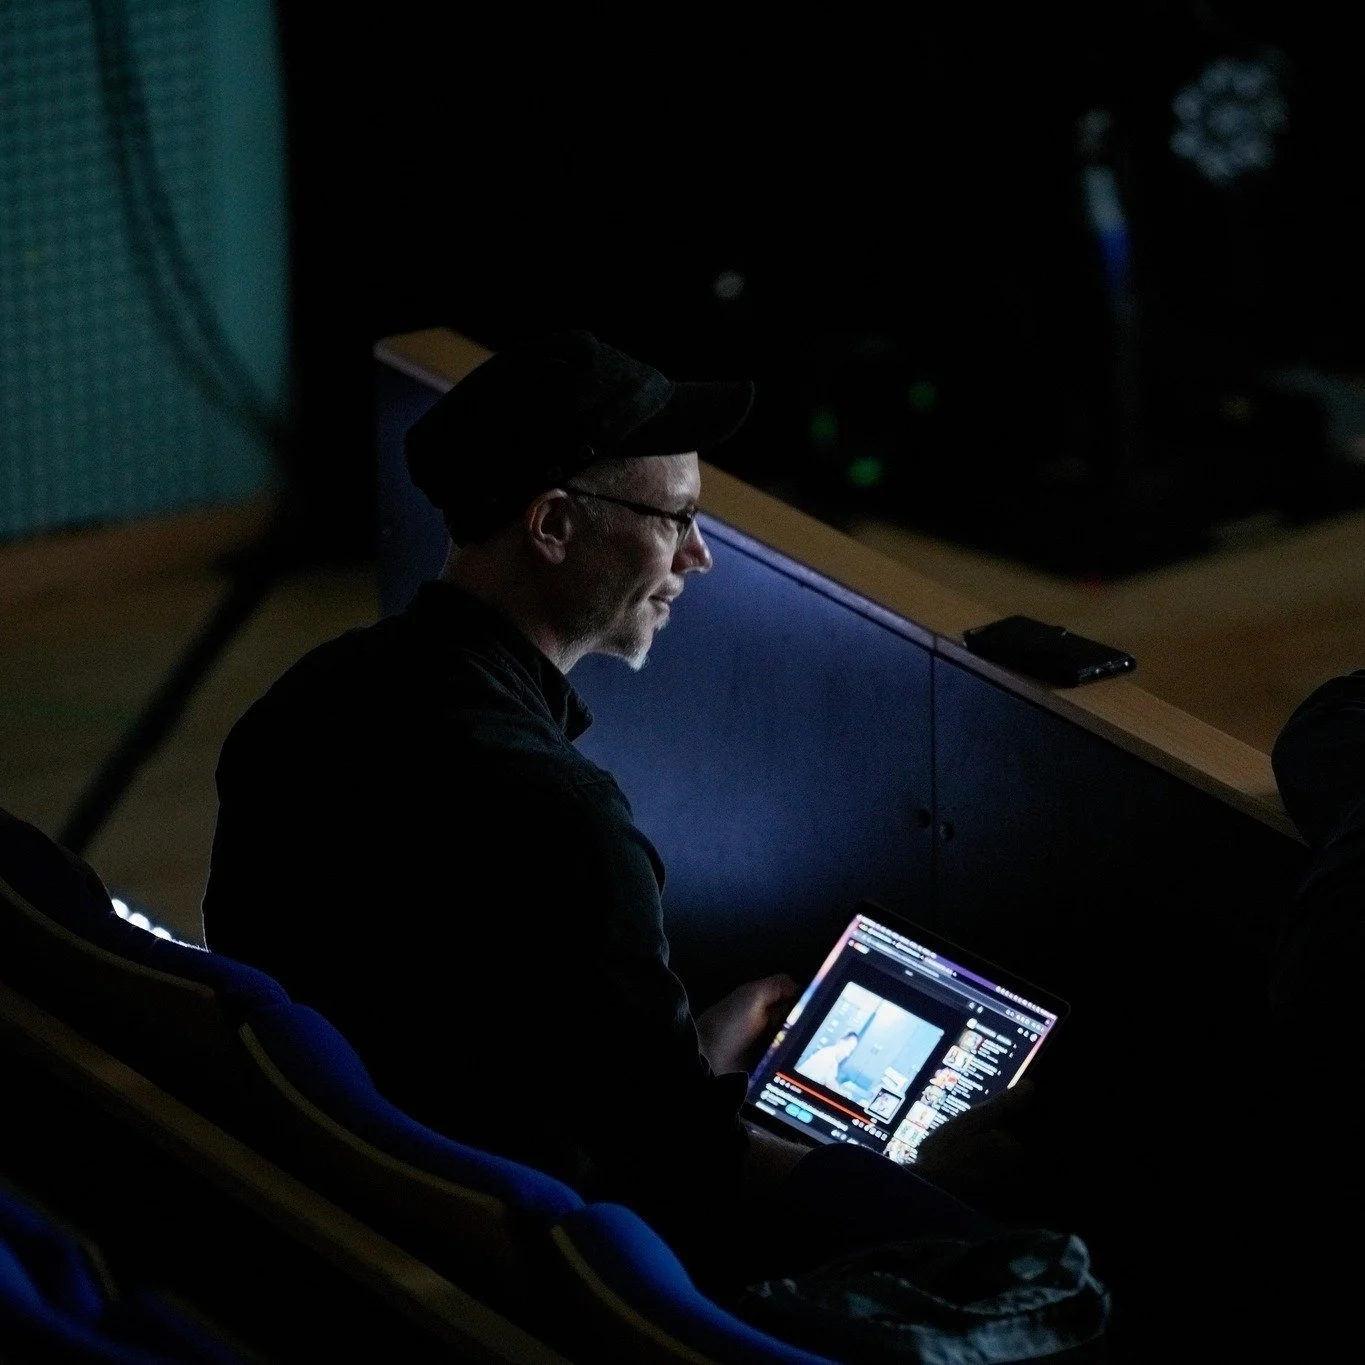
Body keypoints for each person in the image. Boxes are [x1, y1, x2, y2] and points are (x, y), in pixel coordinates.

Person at [203, 330, 1023, 1290]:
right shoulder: (563, 819)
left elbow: (462, 1043)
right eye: (674, 518)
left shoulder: (306, 699)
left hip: (341, 1219)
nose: (698, 556)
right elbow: (689, 1175)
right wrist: (908, 1186)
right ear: (552, 525)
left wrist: (685, 1054)